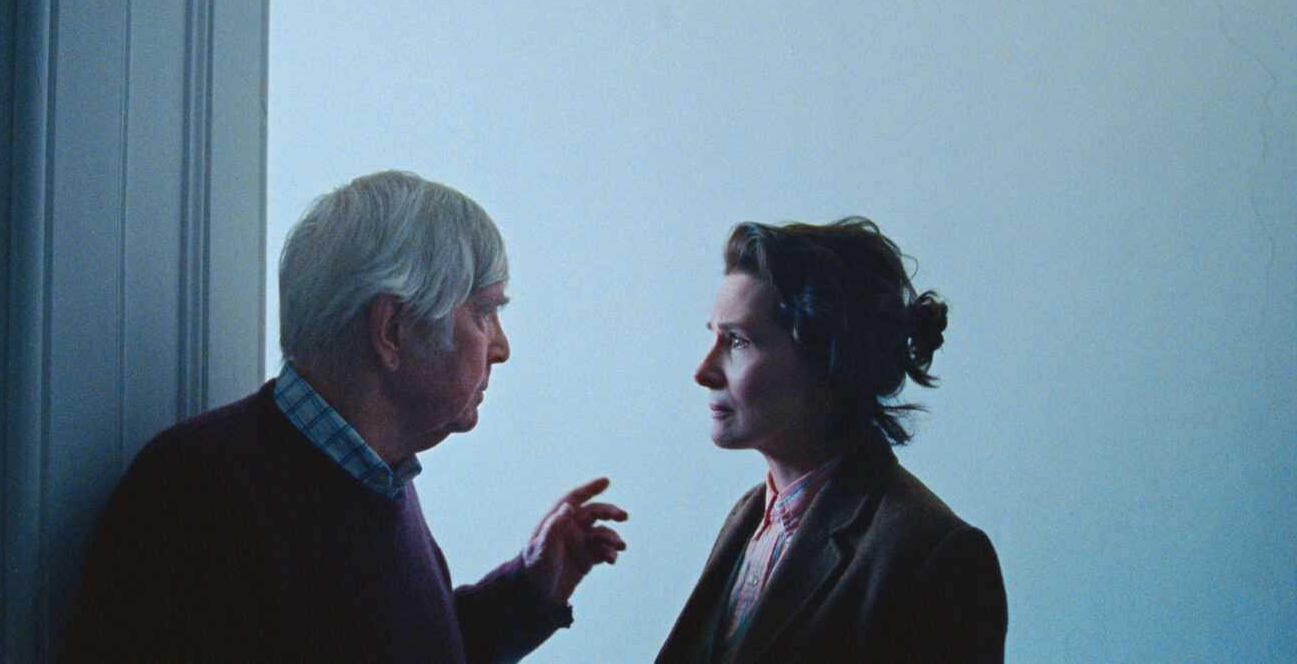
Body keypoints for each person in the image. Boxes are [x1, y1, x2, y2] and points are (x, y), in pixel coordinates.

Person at [64, 171, 627, 663]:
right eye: (483, 313)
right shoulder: (195, 491)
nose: (500, 348)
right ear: (392, 330)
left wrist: (526, 594)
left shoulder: (374, 476)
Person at [656, 218, 1006, 663]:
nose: (703, 371)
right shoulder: (748, 517)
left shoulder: (936, 555)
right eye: (713, 337)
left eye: (738, 341)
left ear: (826, 360)